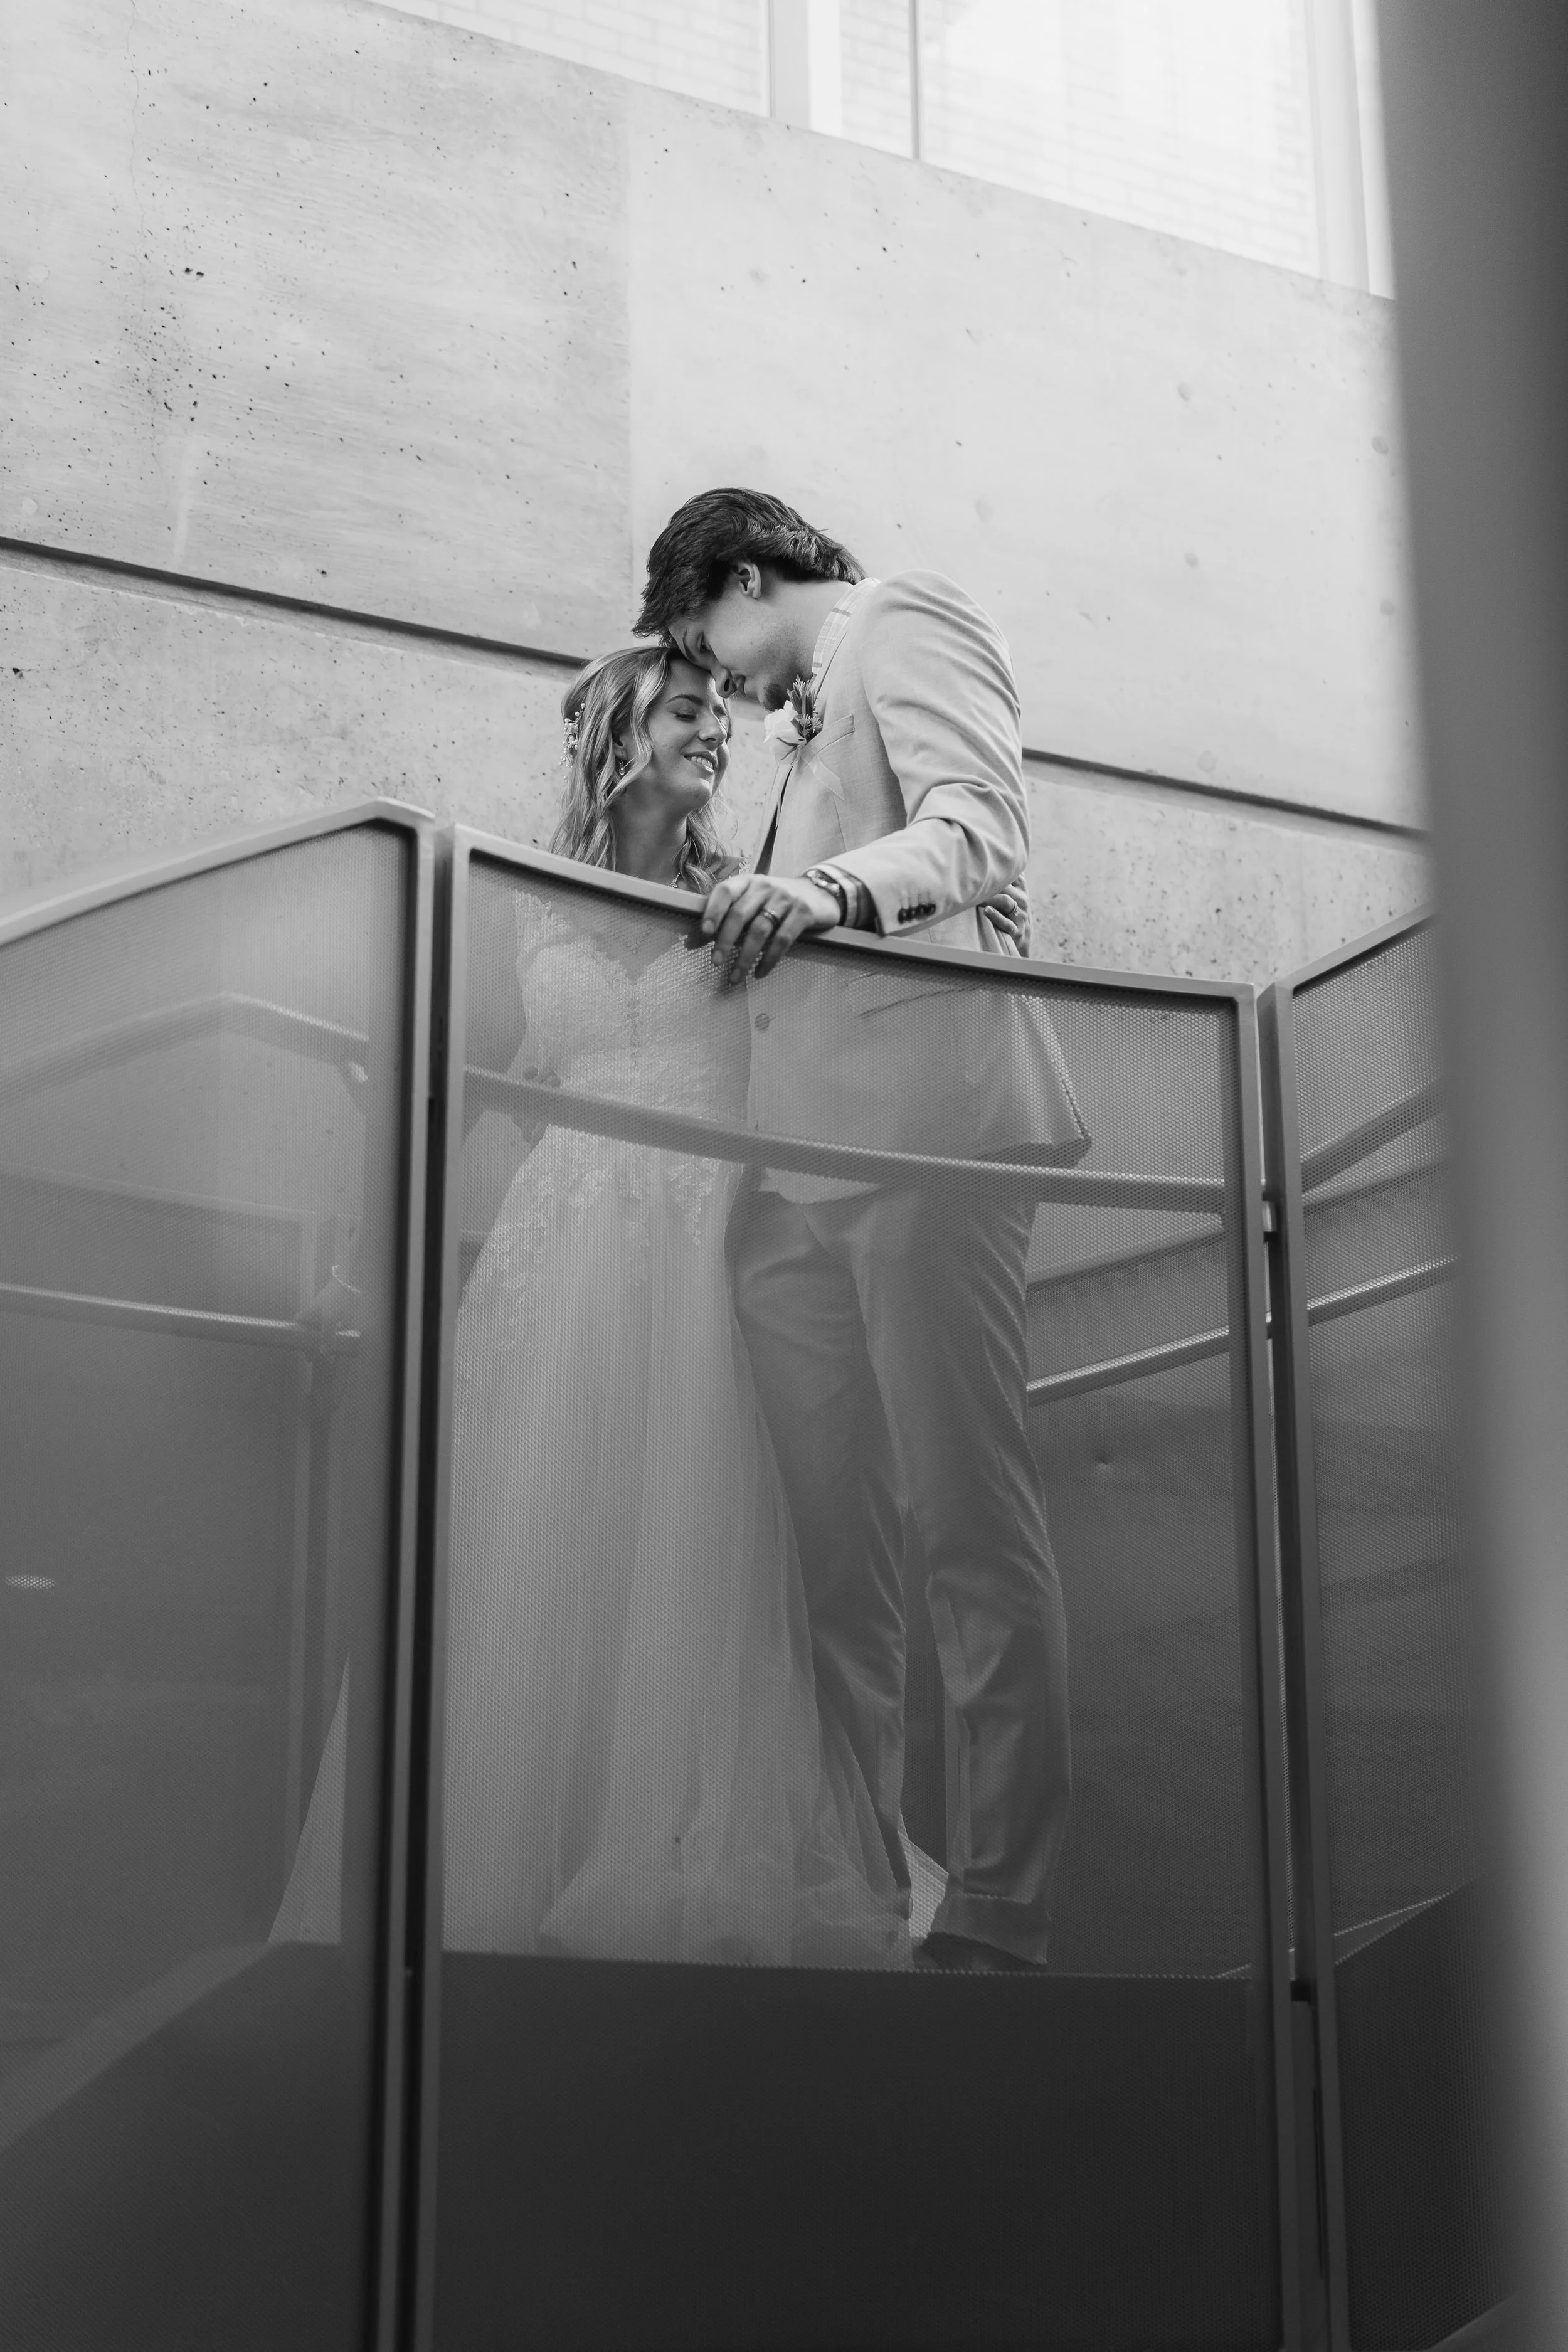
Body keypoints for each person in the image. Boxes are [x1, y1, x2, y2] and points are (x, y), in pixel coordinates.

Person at [638, 488, 1086, 1972]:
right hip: (787, 1183)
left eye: (708, 646)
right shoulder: (777, 742)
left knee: (964, 1521)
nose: (720, 688)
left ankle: (1002, 1906)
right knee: (829, 1558)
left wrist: (829, 886)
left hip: (923, 1135)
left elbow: (978, 828)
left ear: (748, 577)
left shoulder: (907, 615)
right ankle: (858, 1883)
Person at [438, 643, 911, 1965]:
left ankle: (696, 1855)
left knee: (710, 1528)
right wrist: (371, 1261)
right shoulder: (518, 898)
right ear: (617, 731)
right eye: (690, 709)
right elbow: (461, 1073)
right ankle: (523, 1861)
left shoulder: (745, 891)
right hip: (563, 1247)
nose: (717, 730)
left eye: (726, 711)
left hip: (721, 1238)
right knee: (552, 1540)